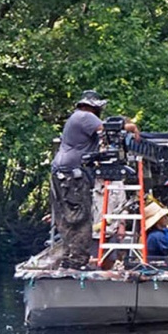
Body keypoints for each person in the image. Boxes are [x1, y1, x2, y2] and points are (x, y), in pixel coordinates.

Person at [50, 89, 139, 269]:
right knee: (80, 219)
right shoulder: (85, 116)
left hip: (61, 174)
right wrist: (133, 128)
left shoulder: (75, 119)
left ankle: (69, 258)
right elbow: (109, 128)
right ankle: (76, 262)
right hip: (72, 176)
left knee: (67, 219)